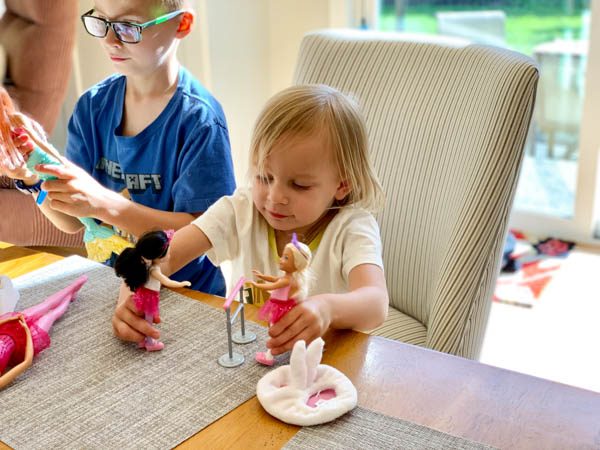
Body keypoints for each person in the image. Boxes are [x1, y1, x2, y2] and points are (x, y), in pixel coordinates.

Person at [113, 84, 389, 356]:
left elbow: (376, 303)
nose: (275, 197)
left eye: (299, 185)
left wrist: (327, 309)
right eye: (264, 177)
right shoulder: (241, 210)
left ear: (342, 184)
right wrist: (131, 296)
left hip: (329, 361)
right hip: (252, 356)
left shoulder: (352, 228)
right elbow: (165, 257)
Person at [0, 0, 236, 296]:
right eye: (102, 21)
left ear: (182, 24)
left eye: (128, 26)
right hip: (115, 285)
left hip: (187, 292)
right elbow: (71, 222)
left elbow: (208, 230)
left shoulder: (199, 121)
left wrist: (103, 203)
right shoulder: (92, 107)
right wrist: (33, 177)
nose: (110, 40)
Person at [0, 275, 88, 389]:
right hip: (25, 343)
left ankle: (72, 287)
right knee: (51, 315)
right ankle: (70, 295)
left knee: (45, 305)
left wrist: (9, 320)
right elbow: (27, 362)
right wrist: (26, 331)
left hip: (7, 327)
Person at [115, 229, 190, 351]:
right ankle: (149, 342)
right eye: (168, 252)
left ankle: (143, 340)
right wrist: (181, 284)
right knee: (148, 320)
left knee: (145, 318)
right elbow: (166, 281)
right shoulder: (154, 270)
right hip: (149, 297)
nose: (169, 255)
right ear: (159, 255)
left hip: (145, 294)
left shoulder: (147, 266)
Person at [250, 233, 312, 365]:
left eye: (286, 258)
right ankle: (298, 350)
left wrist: (256, 285)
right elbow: (274, 279)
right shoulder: (288, 277)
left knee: (275, 331)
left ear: (297, 263)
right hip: (280, 306)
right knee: (277, 330)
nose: (281, 260)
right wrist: (262, 276)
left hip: (281, 309)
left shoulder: (289, 280)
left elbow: (273, 285)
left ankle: (269, 356)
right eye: (283, 256)